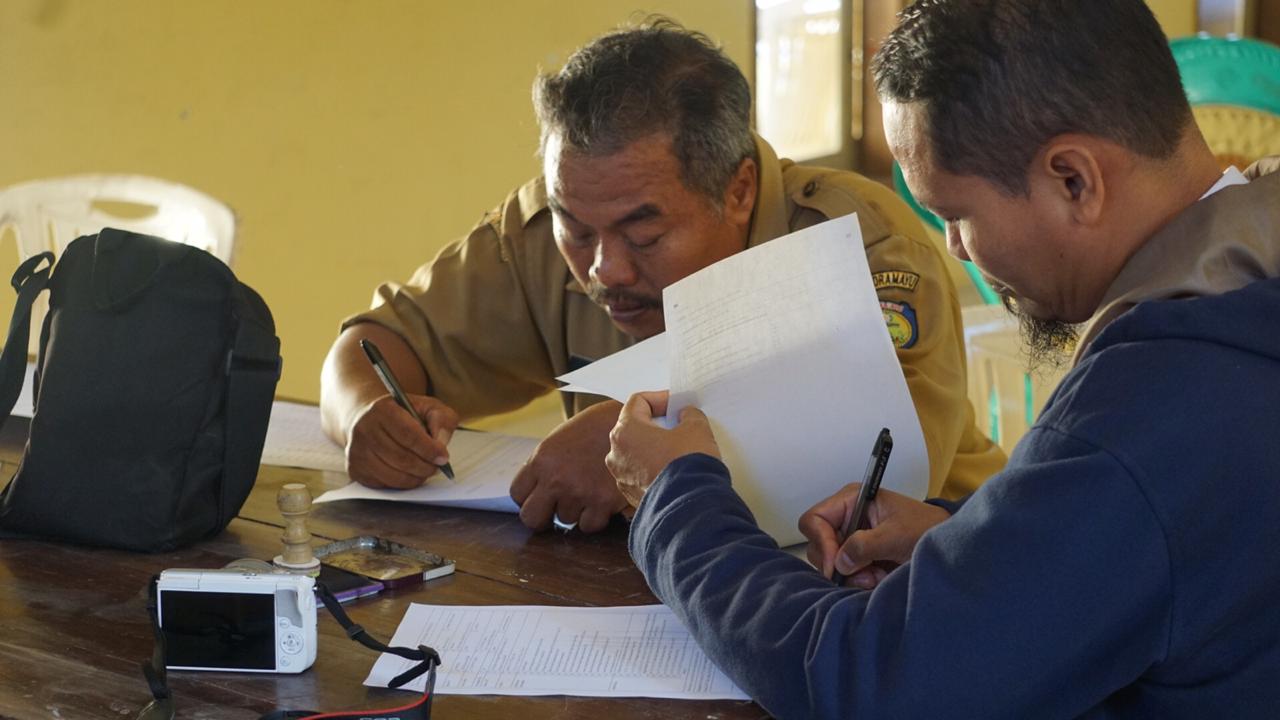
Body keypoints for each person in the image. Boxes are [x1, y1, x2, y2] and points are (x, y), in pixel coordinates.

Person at [607, 1, 1280, 717]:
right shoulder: (1250, 276)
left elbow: (875, 683)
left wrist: (676, 499)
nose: (955, 249)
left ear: (1074, 180)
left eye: (957, 214)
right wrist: (980, 542)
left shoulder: (1149, 406)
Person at [319, 18, 1005, 533]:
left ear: (739, 191)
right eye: (576, 230)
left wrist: (641, 458)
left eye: (644, 235)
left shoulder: (859, 243)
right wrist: (366, 416)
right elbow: (374, 343)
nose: (604, 267)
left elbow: (887, 464)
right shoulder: (564, 221)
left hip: (916, 587)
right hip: (653, 593)